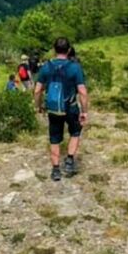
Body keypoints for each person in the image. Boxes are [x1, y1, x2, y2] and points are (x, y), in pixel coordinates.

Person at [35, 37, 89, 182]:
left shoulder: (46, 67)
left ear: (54, 49)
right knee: (75, 132)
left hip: (53, 109)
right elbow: (82, 92)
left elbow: (37, 90)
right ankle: (70, 160)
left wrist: (38, 106)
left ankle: (55, 170)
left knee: (54, 138)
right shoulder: (75, 67)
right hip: (70, 107)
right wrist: (84, 111)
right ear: (69, 50)